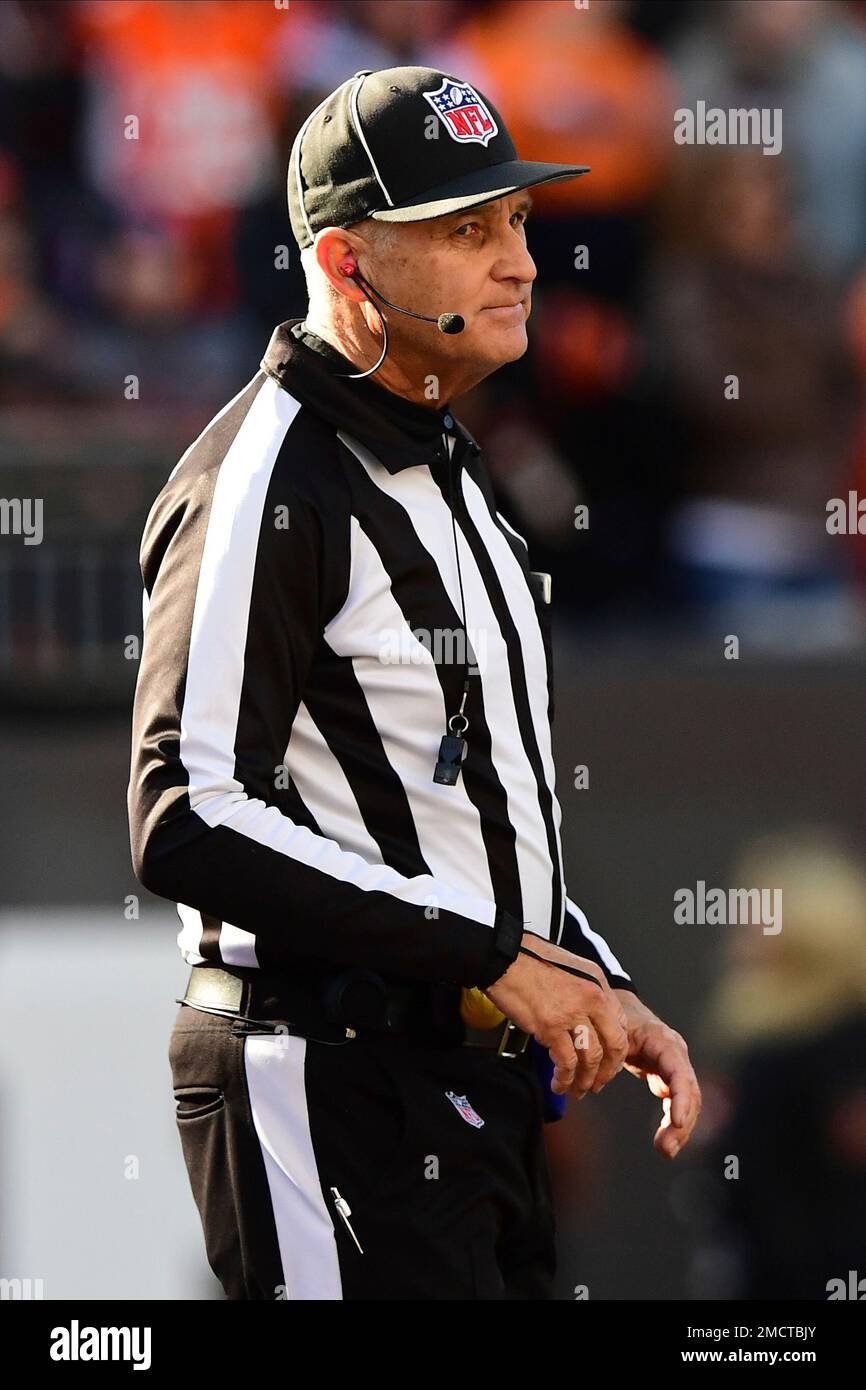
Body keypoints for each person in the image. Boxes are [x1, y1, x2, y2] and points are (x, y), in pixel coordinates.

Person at [127, 65, 701, 1301]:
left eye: (516, 222)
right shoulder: (266, 478)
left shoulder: (454, 464)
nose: (518, 263)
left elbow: (466, 812)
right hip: (322, 1064)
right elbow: (185, 812)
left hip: (459, 1076)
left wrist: (588, 975)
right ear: (344, 266)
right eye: (464, 230)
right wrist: (492, 953)